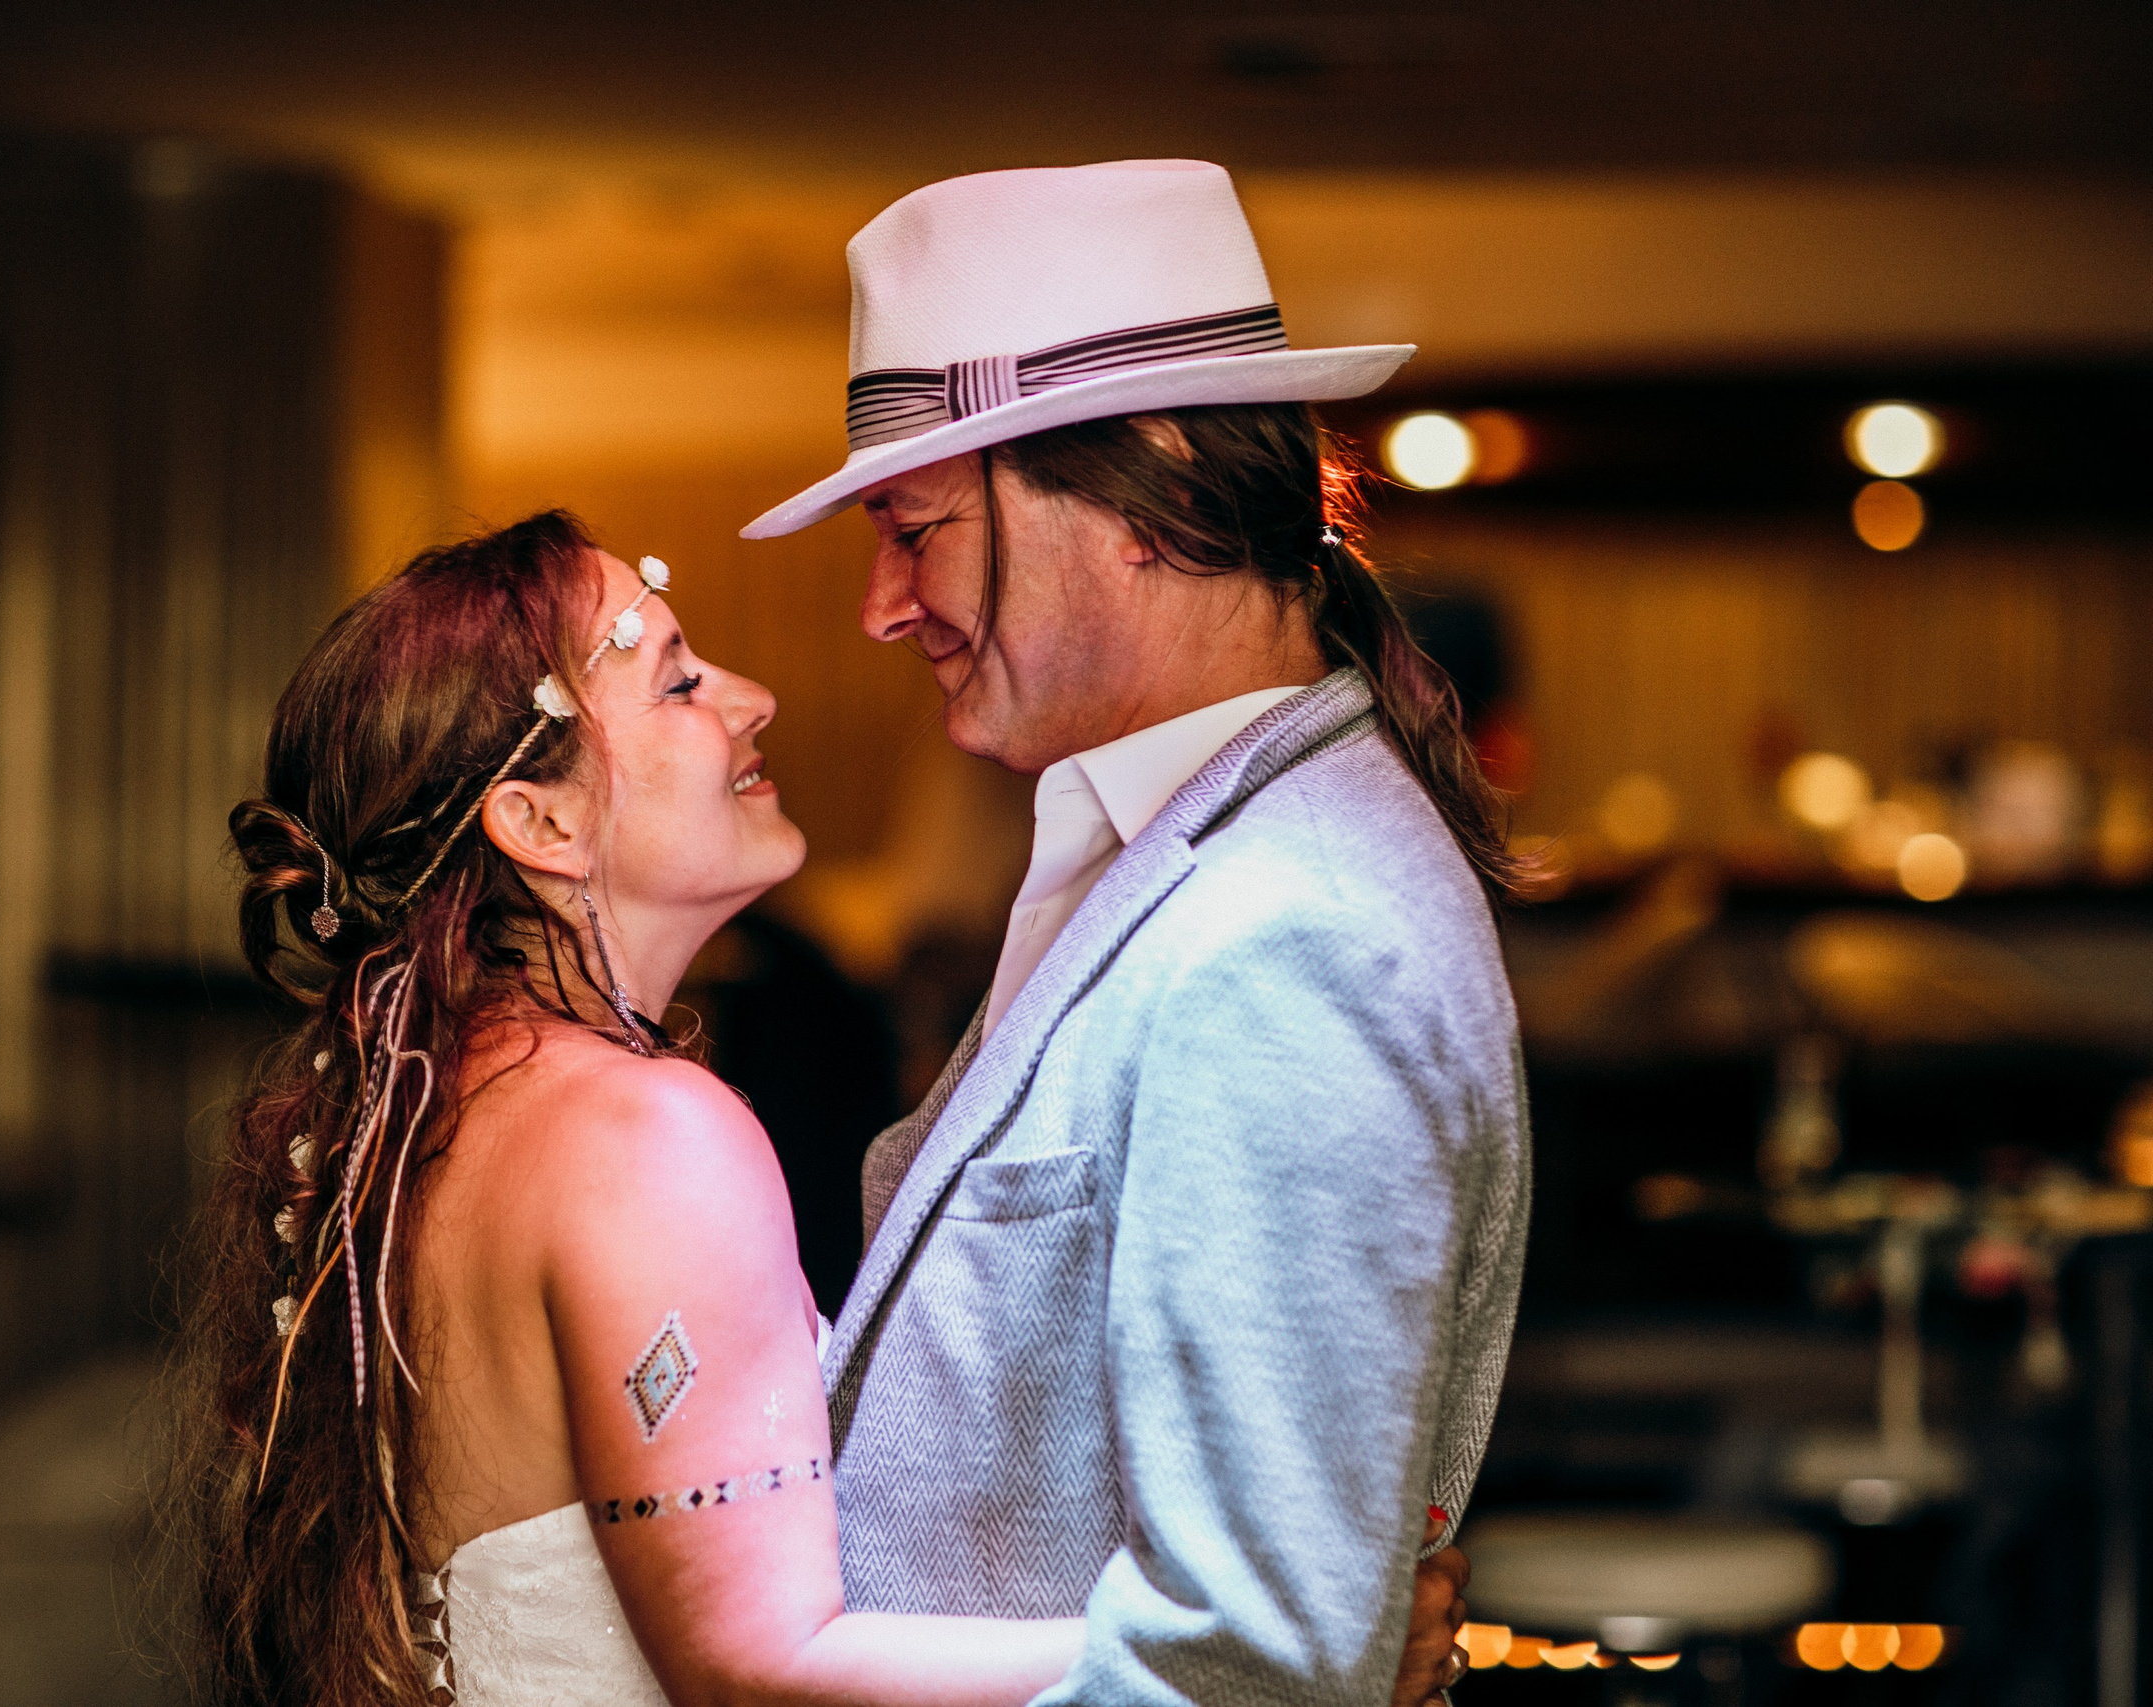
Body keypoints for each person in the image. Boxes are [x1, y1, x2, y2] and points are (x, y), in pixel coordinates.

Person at [168, 509, 1474, 1705]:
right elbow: (762, 1665)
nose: (753, 699)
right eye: (679, 681)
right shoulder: (643, 1137)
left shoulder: (455, 1108)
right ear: (539, 822)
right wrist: (1290, 1657)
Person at [738, 159, 1530, 1704]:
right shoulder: (1180, 848)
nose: (881, 604)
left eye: (914, 528)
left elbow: (1248, 1667)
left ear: (1146, 499)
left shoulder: (1290, 937)